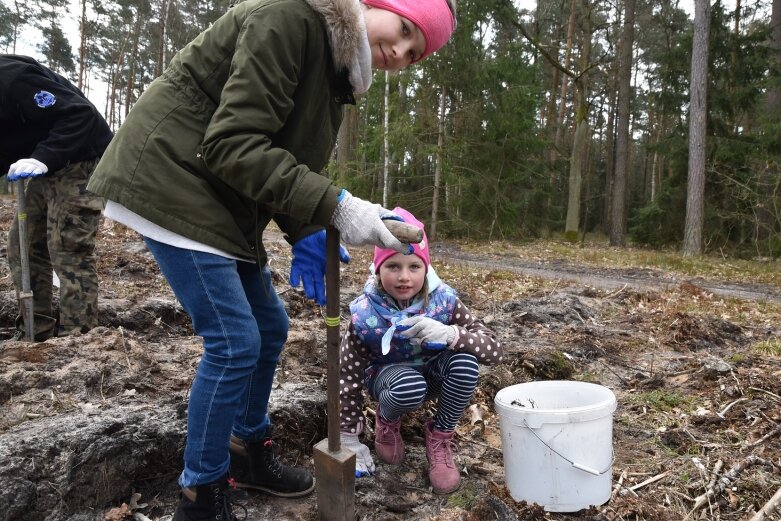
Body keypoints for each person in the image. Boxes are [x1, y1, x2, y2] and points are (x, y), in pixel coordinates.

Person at [85, 0, 457, 517]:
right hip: (170, 178)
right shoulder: (290, 18)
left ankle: (248, 450)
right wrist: (337, 206)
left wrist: (307, 227)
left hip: (219, 197)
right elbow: (231, 144)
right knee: (235, 343)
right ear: (375, 5)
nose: (399, 51)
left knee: (269, 327)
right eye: (404, 30)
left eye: (415, 54)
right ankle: (201, 494)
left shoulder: (334, 75)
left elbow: (279, 161)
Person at [338, 208, 502, 495]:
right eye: (393, 267)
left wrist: (451, 334)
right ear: (378, 270)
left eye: (414, 266)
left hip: (433, 373)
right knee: (408, 385)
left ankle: (439, 437)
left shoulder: (444, 302)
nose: (404, 277)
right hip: (388, 380)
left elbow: (494, 350)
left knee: (465, 362)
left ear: (426, 269)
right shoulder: (364, 315)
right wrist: (348, 434)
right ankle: (386, 421)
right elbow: (347, 375)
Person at [0, 55, 111, 341]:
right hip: (45, 164)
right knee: (23, 245)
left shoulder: (13, 79)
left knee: (67, 245)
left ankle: (79, 340)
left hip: (82, 157)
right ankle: (36, 333)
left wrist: (43, 158)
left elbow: (80, 114)